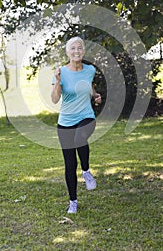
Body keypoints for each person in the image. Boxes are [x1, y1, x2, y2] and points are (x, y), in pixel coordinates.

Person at [51, 36, 102, 214]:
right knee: (70, 164)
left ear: (84, 51)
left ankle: (86, 171)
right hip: (65, 122)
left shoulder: (90, 70)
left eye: (79, 48)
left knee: (80, 137)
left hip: (86, 116)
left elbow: (88, 86)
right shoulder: (61, 72)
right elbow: (55, 99)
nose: (76, 51)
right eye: (73, 48)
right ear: (67, 52)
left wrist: (95, 95)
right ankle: (73, 201)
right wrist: (57, 81)